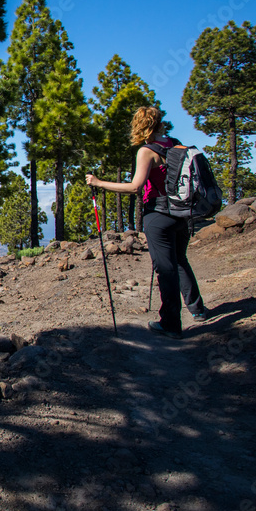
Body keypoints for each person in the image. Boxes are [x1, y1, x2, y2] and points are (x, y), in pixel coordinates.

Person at [85, 106, 208, 340]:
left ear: (139, 126)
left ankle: (171, 324)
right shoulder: (175, 143)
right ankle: (197, 309)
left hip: (158, 215)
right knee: (180, 260)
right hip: (182, 213)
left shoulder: (146, 151)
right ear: (160, 122)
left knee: (166, 269)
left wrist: (99, 183)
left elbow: (135, 187)